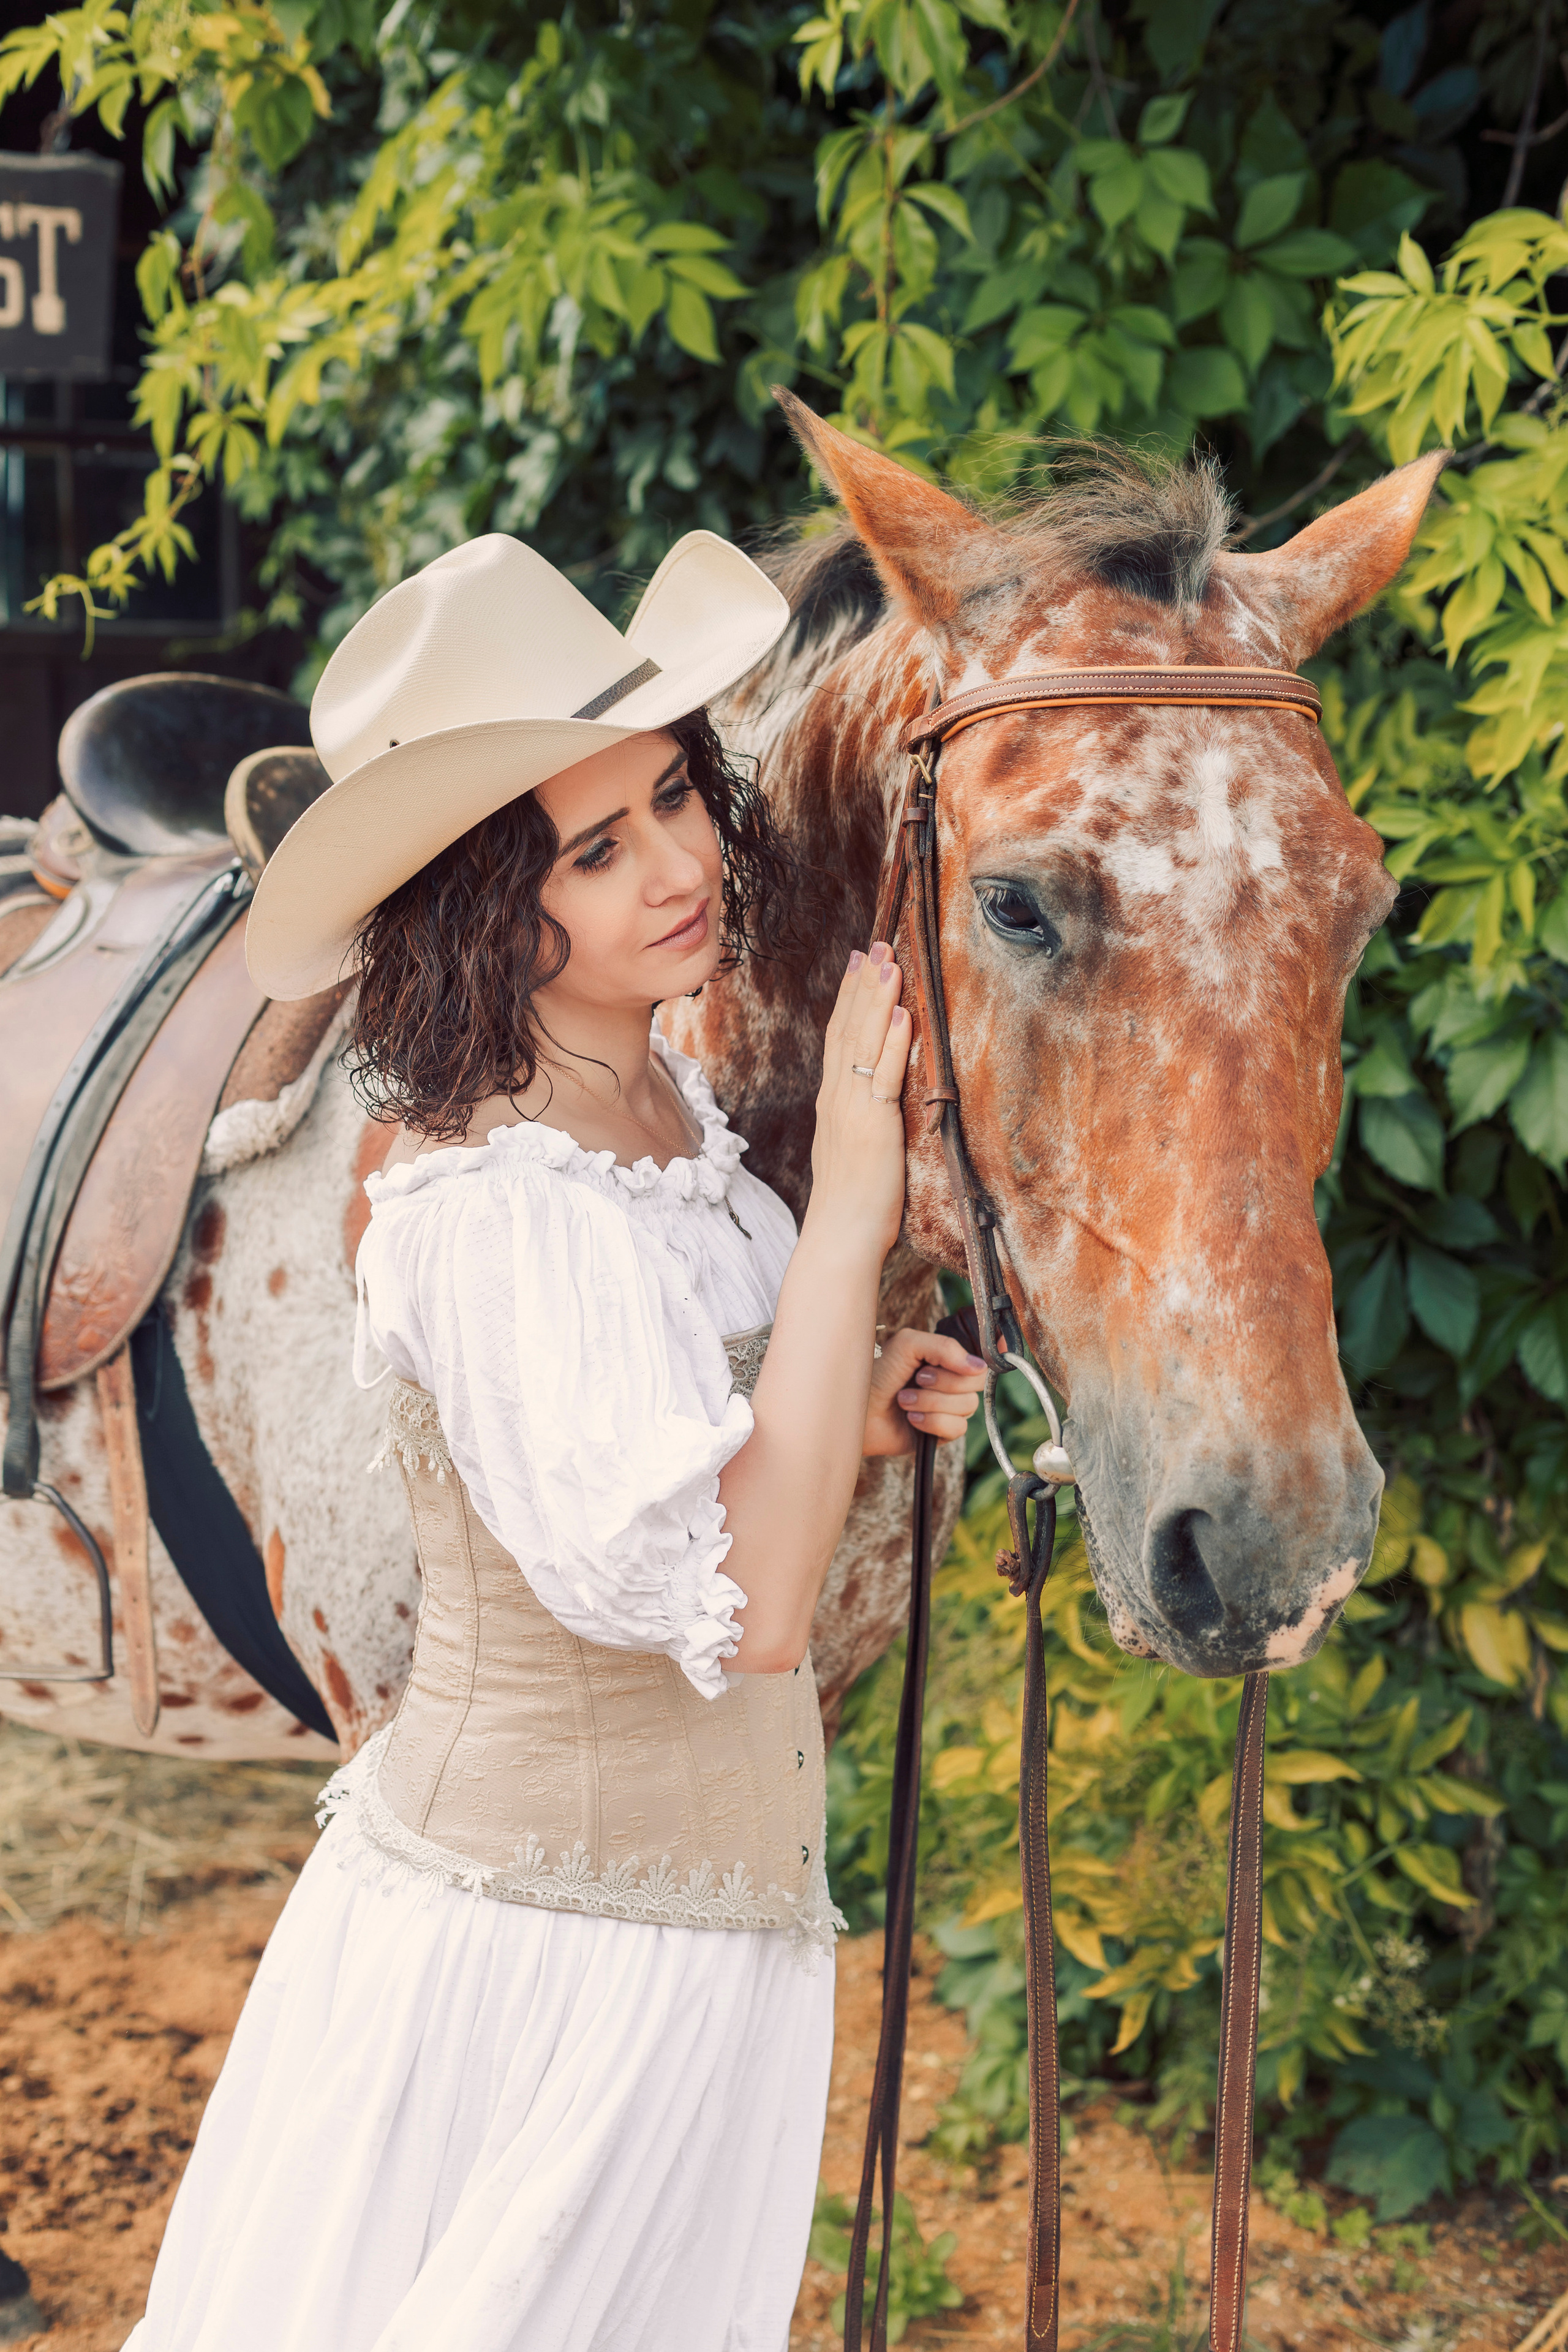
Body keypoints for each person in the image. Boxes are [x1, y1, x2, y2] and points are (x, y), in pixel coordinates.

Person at [123, 527, 986, 2352]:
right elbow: (745, 1607)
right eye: (596, 853)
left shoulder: (642, 1090)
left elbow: (702, 1426)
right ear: (472, 900)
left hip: (689, 1939)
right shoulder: (503, 1202)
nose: (678, 867)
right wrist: (844, 1208)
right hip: (553, 1960)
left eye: (675, 797)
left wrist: (855, 1387)